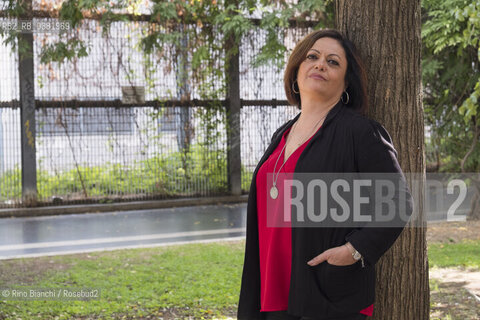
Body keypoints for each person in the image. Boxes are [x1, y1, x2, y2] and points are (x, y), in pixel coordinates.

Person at [237, 29, 413, 320]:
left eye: (333, 62)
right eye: (312, 57)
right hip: (272, 291)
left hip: (325, 294)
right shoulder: (281, 135)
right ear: (296, 72)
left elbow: (398, 202)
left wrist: (353, 250)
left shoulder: (360, 132)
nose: (320, 64)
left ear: (346, 83)